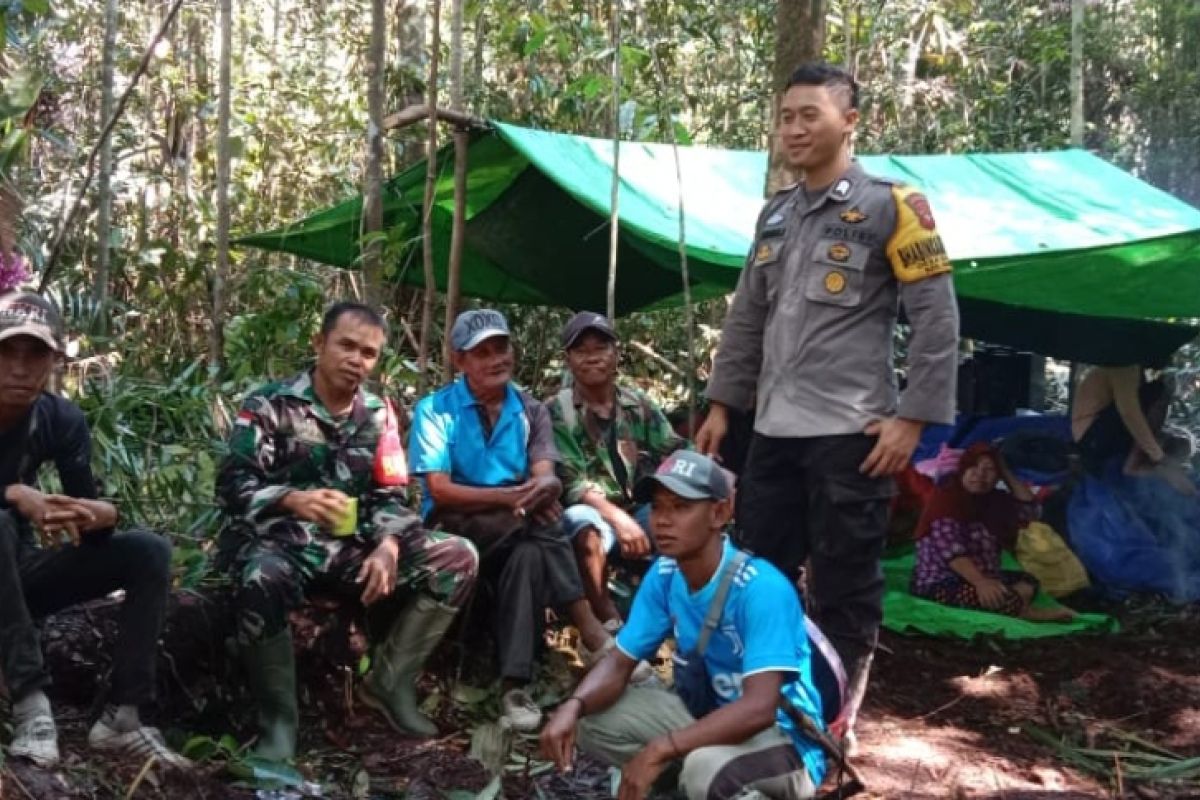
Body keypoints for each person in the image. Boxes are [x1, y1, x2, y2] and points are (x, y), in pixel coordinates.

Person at [694, 62, 960, 746]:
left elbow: (936, 315)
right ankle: (761, 712)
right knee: (764, 581)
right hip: (774, 434)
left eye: (810, 114)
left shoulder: (891, 204)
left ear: (850, 121)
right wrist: (723, 406)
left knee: (845, 584)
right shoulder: (776, 213)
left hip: (853, 434)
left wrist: (913, 418)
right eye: (786, 116)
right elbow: (747, 318)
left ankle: (832, 727)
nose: (794, 129)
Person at [216, 302, 478, 760]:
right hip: (279, 546)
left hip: (347, 548)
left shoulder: (378, 415)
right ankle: (279, 722)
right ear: (319, 343)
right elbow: (231, 484)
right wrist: (291, 498)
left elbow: (390, 494)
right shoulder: (270, 405)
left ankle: (390, 684)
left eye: (370, 353)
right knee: (262, 576)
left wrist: (390, 544)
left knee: (458, 557)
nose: (357, 360)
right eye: (347, 346)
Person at [540, 451, 827, 800]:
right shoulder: (665, 575)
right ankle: (685, 786)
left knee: (704, 769)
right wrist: (573, 705)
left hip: (784, 744)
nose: (663, 520)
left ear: (719, 513)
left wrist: (662, 748)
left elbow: (759, 709)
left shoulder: (760, 588)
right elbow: (619, 663)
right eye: (659, 507)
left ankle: (719, 786)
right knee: (592, 721)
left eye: (681, 507)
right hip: (710, 720)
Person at [0, 291, 189, 769]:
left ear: (53, 361)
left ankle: (124, 717)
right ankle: (30, 703)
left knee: (148, 551)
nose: (20, 368)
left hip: (12, 580)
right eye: (6, 352)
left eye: (35, 354)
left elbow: (90, 518)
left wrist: (102, 514)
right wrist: (14, 494)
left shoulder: (61, 419)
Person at [408, 308, 613, 732]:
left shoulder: (530, 410)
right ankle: (590, 627)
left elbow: (545, 475)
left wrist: (543, 490)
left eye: (501, 348)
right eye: (482, 352)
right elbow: (441, 489)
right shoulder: (436, 410)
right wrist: (509, 498)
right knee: (537, 523)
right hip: (454, 524)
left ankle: (513, 686)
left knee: (529, 557)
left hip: (517, 523)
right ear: (460, 360)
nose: (496, 359)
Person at [550, 311, 685, 627]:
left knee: (685, 523)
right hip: (596, 512)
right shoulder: (558, 411)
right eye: (582, 351)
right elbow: (572, 482)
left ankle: (677, 616)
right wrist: (619, 520)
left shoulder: (635, 403)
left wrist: (712, 472)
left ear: (616, 354)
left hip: (638, 506)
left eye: (600, 348)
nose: (592, 358)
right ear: (568, 359)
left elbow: (674, 448)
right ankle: (608, 623)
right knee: (583, 527)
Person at [910, 443, 1073, 621]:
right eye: (973, 467)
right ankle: (1022, 610)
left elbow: (1030, 510)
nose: (980, 475)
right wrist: (981, 583)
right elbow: (953, 553)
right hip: (943, 581)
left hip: (987, 576)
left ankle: (1014, 605)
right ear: (963, 469)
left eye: (990, 470)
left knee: (1028, 580)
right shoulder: (946, 500)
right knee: (985, 597)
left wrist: (1006, 472)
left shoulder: (994, 502)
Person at [1072, 365, 1194, 495]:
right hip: (1092, 440)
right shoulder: (1125, 366)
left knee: (1182, 443)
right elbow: (1129, 413)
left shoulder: (1136, 371)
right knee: (1160, 389)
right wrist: (1160, 458)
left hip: (1100, 436)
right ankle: (1144, 465)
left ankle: (1154, 465)